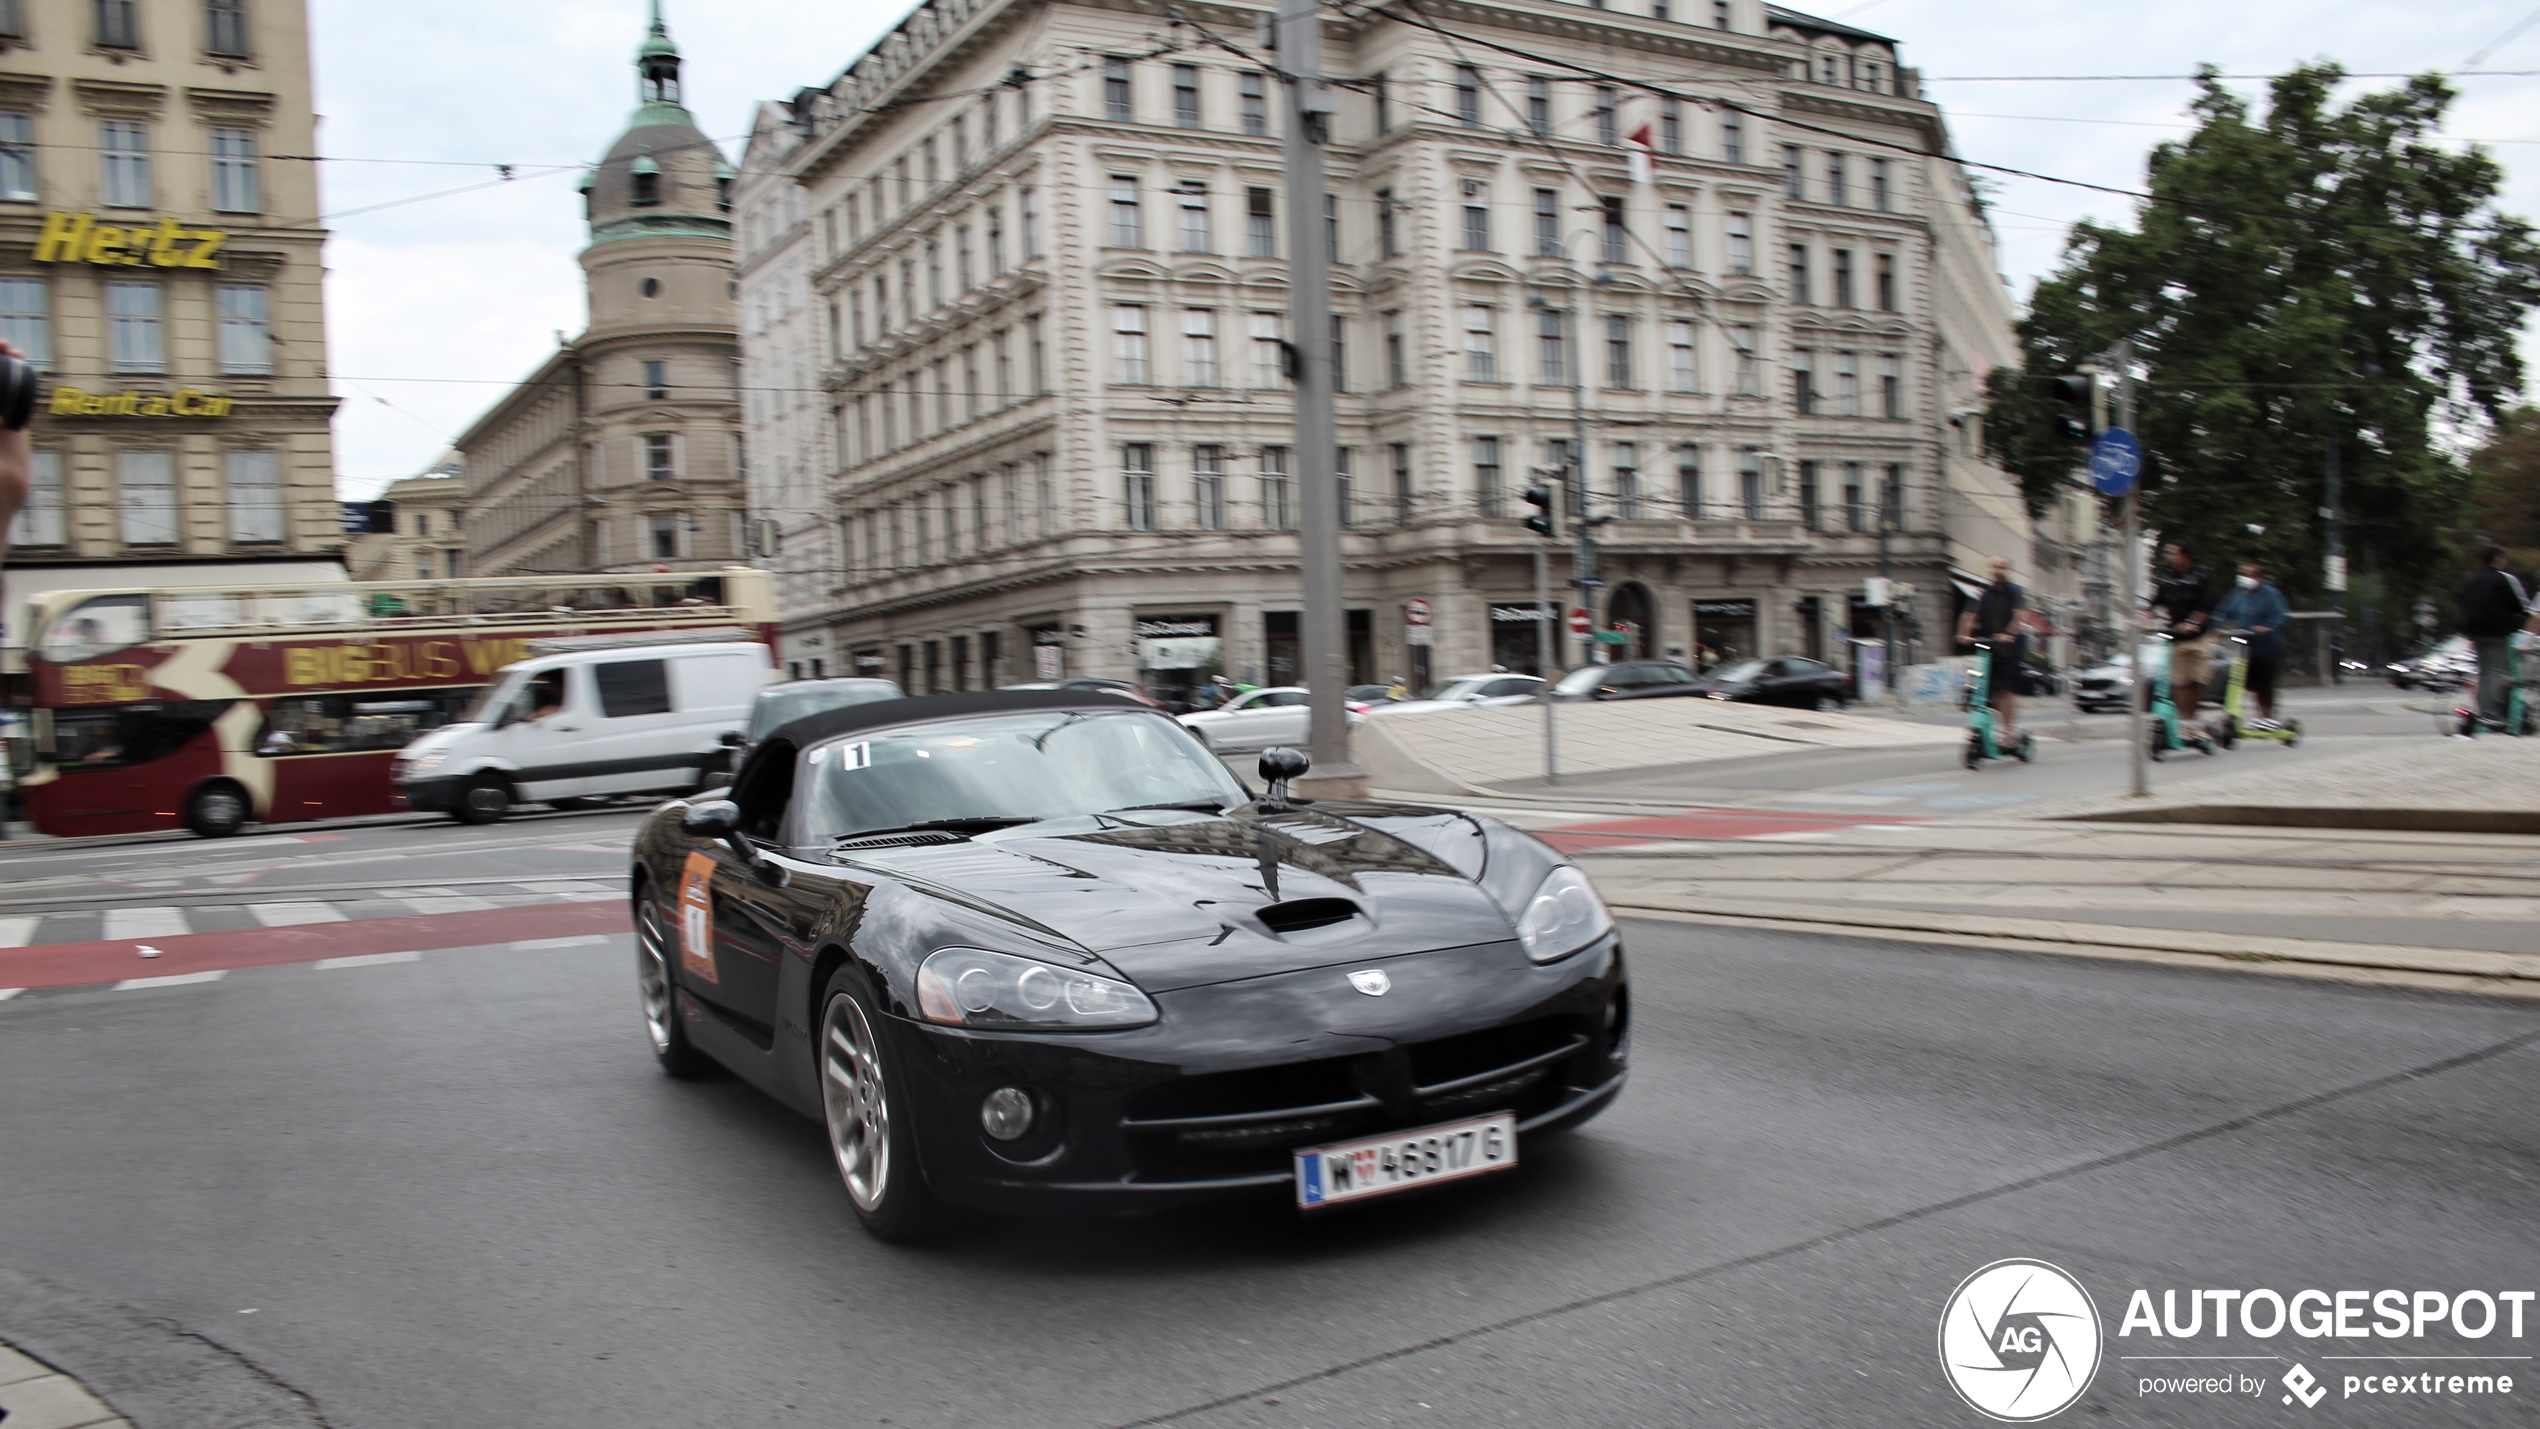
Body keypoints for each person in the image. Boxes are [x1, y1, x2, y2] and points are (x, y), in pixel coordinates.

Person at [2457, 545, 2539, 729]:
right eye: (2503, 557)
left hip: (2475, 631)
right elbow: (2521, 606)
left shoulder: (2473, 579)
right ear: (2497, 559)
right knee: (2496, 672)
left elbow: (2463, 602)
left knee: (2485, 671)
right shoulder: (2504, 578)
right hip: (2496, 631)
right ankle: (2490, 714)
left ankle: (2483, 711)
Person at [1956, 556, 2028, 743]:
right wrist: (1963, 634)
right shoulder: (1982, 592)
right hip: (1988, 647)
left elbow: (2019, 618)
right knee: (1986, 688)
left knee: (2006, 689)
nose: (1998, 570)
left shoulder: (2016, 592)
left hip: (2010, 649)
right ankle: (1993, 723)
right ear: (1990, 569)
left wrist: (2009, 633)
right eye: (1995, 566)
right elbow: (1969, 616)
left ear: (2007, 570)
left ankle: (2007, 731)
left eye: (2002, 567)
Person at [2214, 560, 2290, 726]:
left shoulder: (2271, 594)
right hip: (2245, 645)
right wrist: (2220, 628)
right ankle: (2231, 715)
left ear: (2258, 577)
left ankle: (2266, 715)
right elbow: (2221, 612)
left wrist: (2267, 627)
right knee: (2238, 680)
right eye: (2242, 574)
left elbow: (2280, 616)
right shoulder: (2237, 594)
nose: (2245, 578)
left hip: (2266, 646)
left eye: (2249, 575)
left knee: (2264, 684)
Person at [2151, 541, 2216, 719]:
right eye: (2167, 553)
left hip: (2201, 637)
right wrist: (2145, 616)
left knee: (2199, 679)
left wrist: (2192, 623)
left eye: (2173, 553)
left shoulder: (2201, 575)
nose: (2168, 557)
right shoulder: (2165, 576)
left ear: (2185, 556)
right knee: (2182, 682)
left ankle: (2193, 714)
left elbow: (2207, 604)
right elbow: (2156, 600)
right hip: (2177, 636)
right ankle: (2184, 719)